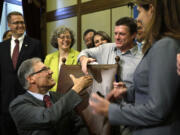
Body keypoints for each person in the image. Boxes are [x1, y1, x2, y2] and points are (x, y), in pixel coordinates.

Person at [89, 0, 180, 135]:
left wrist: (110, 110)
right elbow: (154, 90)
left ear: (152, 9)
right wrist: (128, 92)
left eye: (140, 11)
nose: (138, 18)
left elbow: (157, 110)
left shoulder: (164, 46)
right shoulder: (162, 45)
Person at [9, 57, 93, 135]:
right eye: (44, 69)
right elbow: (47, 118)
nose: (51, 72)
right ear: (31, 79)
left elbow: (79, 126)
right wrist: (77, 88)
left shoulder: (60, 97)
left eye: (48, 68)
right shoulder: (18, 105)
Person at [0, 11, 43, 135]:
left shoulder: (35, 44)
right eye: (16, 23)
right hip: (5, 101)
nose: (20, 25)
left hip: (28, 100)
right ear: (9, 25)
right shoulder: (1, 47)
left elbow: (40, 73)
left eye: (22, 22)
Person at [78, 17, 142, 90]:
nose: (117, 37)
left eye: (122, 34)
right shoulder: (106, 48)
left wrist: (127, 91)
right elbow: (84, 52)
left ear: (133, 35)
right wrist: (83, 59)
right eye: (115, 33)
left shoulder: (142, 57)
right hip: (104, 99)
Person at [44, 26, 79, 91]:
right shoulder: (49, 58)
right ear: (56, 40)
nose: (66, 40)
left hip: (71, 94)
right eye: (62, 37)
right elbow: (45, 78)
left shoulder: (78, 56)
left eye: (68, 37)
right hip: (52, 95)